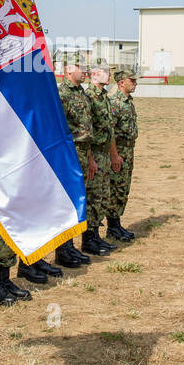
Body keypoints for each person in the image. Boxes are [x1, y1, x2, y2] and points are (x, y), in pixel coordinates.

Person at [56, 61, 95, 266]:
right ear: (69, 70)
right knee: (66, 201)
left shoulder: (82, 93)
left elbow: (87, 129)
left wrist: (89, 158)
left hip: (83, 151)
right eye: (81, 67)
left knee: (77, 201)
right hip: (69, 153)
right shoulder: (62, 94)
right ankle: (62, 250)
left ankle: (70, 247)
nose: (85, 71)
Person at [82, 66, 120, 255]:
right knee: (93, 197)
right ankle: (88, 239)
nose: (110, 75)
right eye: (106, 71)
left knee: (102, 196)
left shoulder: (103, 96)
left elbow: (109, 129)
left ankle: (96, 235)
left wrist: (113, 154)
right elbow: (86, 130)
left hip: (104, 153)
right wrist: (90, 158)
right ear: (95, 74)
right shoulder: (89, 96)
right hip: (94, 153)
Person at [105, 69, 138, 241]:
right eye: (131, 80)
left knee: (123, 188)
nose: (135, 83)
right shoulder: (115, 102)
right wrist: (114, 156)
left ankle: (116, 223)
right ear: (121, 83)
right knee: (115, 188)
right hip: (118, 152)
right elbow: (110, 133)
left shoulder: (127, 101)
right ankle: (112, 226)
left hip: (128, 151)